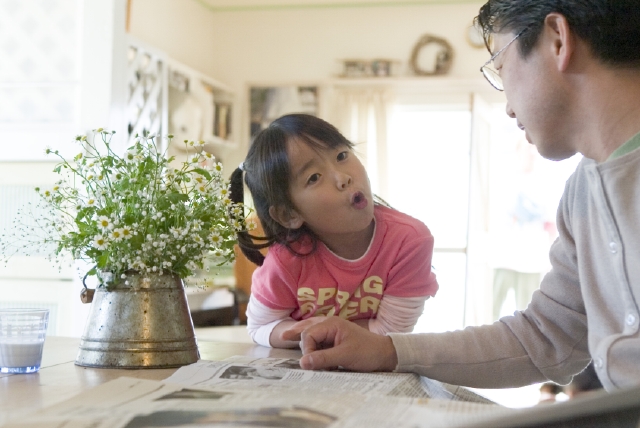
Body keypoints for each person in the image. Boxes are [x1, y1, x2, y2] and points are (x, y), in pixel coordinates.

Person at [283, 0, 640, 393]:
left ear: (557, 40)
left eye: (500, 67)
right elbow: (544, 337)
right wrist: (386, 350)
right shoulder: (582, 191)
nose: (506, 106)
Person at [229, 114, 439, 348]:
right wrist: (308, 333)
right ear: (290, 214)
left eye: (341, 156)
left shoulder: (409, 241)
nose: (343, 178)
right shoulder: (286, 260)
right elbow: (259, 327)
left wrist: (325, 330)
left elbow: (392, 333)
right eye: (314, 177)